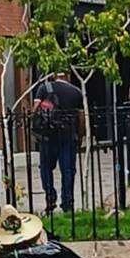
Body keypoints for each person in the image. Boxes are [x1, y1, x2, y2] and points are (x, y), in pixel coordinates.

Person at [36, 72, 83, 214]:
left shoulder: (44, 88)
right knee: (68, 169)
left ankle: (50, 196)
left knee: (45, 167)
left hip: (48, 136)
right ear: (67, 77)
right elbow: (81, 117)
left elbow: (35, 110)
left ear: (54, 75)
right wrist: (80, 136)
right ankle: (67, 202)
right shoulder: (76, 92)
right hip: (68, 135)